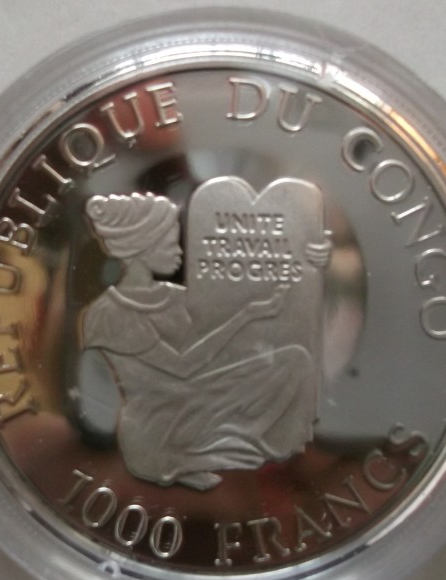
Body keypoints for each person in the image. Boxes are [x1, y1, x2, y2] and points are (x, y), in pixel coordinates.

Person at [81, 191, 315, 490]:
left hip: (195, 394)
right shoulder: (111, 313)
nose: (179, 252)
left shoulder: (174, 297)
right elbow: (184, 366)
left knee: (294, 360)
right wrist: (245, 316)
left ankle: (221, 444)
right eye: (169, 244)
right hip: (158, 421)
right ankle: (184, 454)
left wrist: (309, 261)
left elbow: (216, 352)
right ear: (142, 248)